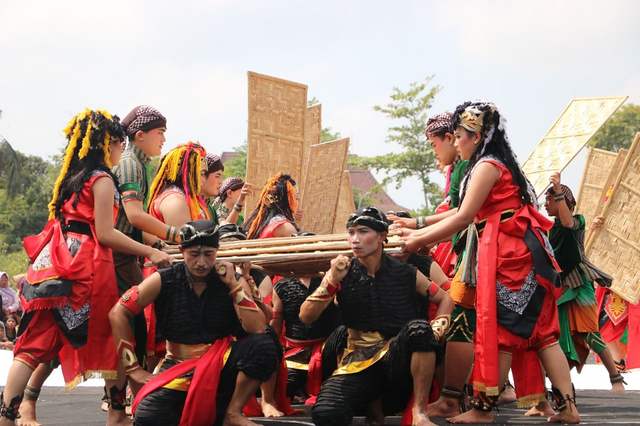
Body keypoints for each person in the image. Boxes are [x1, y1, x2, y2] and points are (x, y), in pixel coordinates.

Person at [400, 101, 580, 424]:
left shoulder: (486, 166)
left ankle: (482, 410)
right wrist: (418, 230)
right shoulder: (490, 164)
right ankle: (568, 407)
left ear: (477, 136)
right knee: (542, 335)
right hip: (520, 253)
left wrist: (418, 239)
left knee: (501, 333)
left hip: (512, 257)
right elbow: (461, 213)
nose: (455, 143)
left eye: (459, 136)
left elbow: (464, 216)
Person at [0, 109, 171, 426]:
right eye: (119, 143)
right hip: (88, 271)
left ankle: (6, 418)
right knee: (111, 340)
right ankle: (118, 414)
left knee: (32, 346)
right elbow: (106, 233)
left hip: (52, 269)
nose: (121, 149)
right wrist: (150, 250)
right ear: (108, 145)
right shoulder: (102, 179)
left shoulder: (69, 180)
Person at [108, 219, 281, 426]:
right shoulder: (164, 278)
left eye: (208, 254)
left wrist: (234, 285)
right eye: (194, 254)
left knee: (265, 344)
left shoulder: (231, 279)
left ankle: (233, 413)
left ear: (217, 251)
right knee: (148, 416)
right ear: (182, 251)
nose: (201, 262)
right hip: (178, 365)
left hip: (222, 361)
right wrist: (133, 369)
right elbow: (117, 313)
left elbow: (258, 328)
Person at [300, 206, 454, 426]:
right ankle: (373, 410)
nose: (355, 239)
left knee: (419, 329)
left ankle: (419, 413)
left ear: (382, 236)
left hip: (398, 361)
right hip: (359, 360)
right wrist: (331, 280)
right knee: (327, 414)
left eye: (363, 231)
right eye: (351, 232)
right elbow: (306, 317)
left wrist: (435, 333)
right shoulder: (341, 273)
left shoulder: (407, 272)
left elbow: (445, 299)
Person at [543, 174, 624, 393]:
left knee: (589, 333)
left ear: (562, 201)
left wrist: (558, 188)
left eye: (549, 199)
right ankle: (560, 385)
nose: (545, 204)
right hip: (562, 288)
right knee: (563, 335)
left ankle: (616, 378)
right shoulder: (548, 229)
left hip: (580, 286)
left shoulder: (578, 220)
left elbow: (568, 222)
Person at [112, 105, 176, 374]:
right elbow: (135, 216)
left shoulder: (137, 163)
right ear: (140, 135)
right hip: (116, 255)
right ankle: (120, 397)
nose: (163, 139)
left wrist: (162, 244)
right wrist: (176, 234)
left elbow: (138, 222)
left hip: (126, 253)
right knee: (129, 321)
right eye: (160, 132)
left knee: (135, 322)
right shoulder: (129, 164)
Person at [148, 142, 210, 225]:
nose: (204, 180)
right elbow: (183, 237)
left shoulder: (181, 198)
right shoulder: (175, 201)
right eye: (201, 174)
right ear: (188, 173)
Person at [244, 173, 299, 239]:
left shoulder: (261, 225)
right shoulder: (285, 228)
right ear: (288, 202)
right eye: (297, 199)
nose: (298, 203)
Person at [200, 153, 225, 224]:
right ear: (203, 175)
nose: (221, 182)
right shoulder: (188, 205)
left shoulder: (211, 210)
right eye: (217, 176)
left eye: (221, 177)